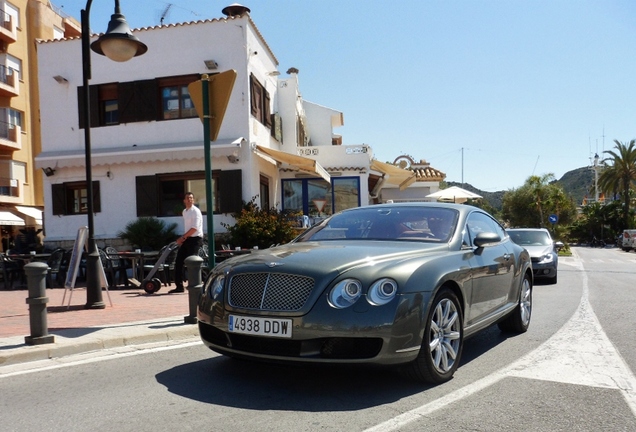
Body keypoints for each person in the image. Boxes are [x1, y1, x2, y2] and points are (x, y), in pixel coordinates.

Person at [169, 192, 203, 294]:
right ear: (184, 201)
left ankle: (199, 285)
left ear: (193, 200)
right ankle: (179, 286)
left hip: (195, 239)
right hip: (187, 239)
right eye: (188, 198)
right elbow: (188, 228)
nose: (190, 200)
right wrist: (184, 238)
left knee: (192, 263)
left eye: (191, 198)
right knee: (179, 262)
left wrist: (182, 237)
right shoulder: (185, 211)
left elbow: (194, 228)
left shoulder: (196, 211)